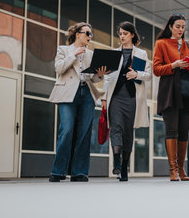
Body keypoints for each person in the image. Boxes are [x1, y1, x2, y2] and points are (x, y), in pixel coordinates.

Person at [48, 22, 108, 182]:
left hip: (86, 93)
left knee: (84, 133)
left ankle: (79, 172)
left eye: (91, 34)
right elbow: (59, 69)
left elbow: (93, 78)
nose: (90, 37)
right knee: (66, 130)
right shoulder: (64, 50)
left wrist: (100, 74)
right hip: (67, 93)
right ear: (77, 34)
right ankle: (58, 171)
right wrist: (73, 54)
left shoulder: (90, 54)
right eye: (87, 33)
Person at [101, 21, 151, 182]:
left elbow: (148, 75)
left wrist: (137, 74)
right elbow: (108, 77)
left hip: (132, 97)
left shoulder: (141, 54)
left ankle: (124, 168)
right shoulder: (114, 53)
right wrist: (103, 97)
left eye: (125, 33)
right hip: (115, 96)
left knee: (128, 133)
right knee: (116, 127)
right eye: (120, 34)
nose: (122, 36)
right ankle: (116, 161)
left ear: (132, 35)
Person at [153, 14, 189, 181]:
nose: (181, 29)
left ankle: (181, 169)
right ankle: (172, 170)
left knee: (184, 132)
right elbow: (157, 69)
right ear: (170, 27)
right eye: (178, 26)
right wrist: (174, 65)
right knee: (171, 130)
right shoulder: (161, 43)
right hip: (169, 91)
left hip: (187, 92)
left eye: (183, 27)